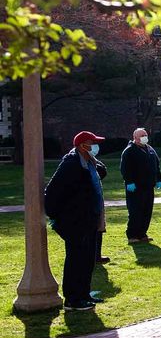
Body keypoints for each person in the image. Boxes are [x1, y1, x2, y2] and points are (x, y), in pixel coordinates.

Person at [44, 131, 108, 311]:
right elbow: (52, 193)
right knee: (76, 260)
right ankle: (73, 299)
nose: (95, 146)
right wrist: (57, 217)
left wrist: (93, 160)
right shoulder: (71, 164)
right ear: (81, 146)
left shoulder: (88, 162)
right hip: (75, 222)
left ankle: (84, 294)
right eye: (92, 143)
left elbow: (102, 172)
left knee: (87, 259)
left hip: (89, 219)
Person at [120, 127, 161, 244]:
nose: (145, 137)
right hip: (135, 188)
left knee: (147, 211)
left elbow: (156, 165)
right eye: (142, 135)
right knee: (135, 211)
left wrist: (158, 179)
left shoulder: (150, 149)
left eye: (145, 135)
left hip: (149, 186)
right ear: (135, 138)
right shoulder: (129, 151)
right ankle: (132, 235)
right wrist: (129, 182)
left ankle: (142, 234)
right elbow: (125, 168)